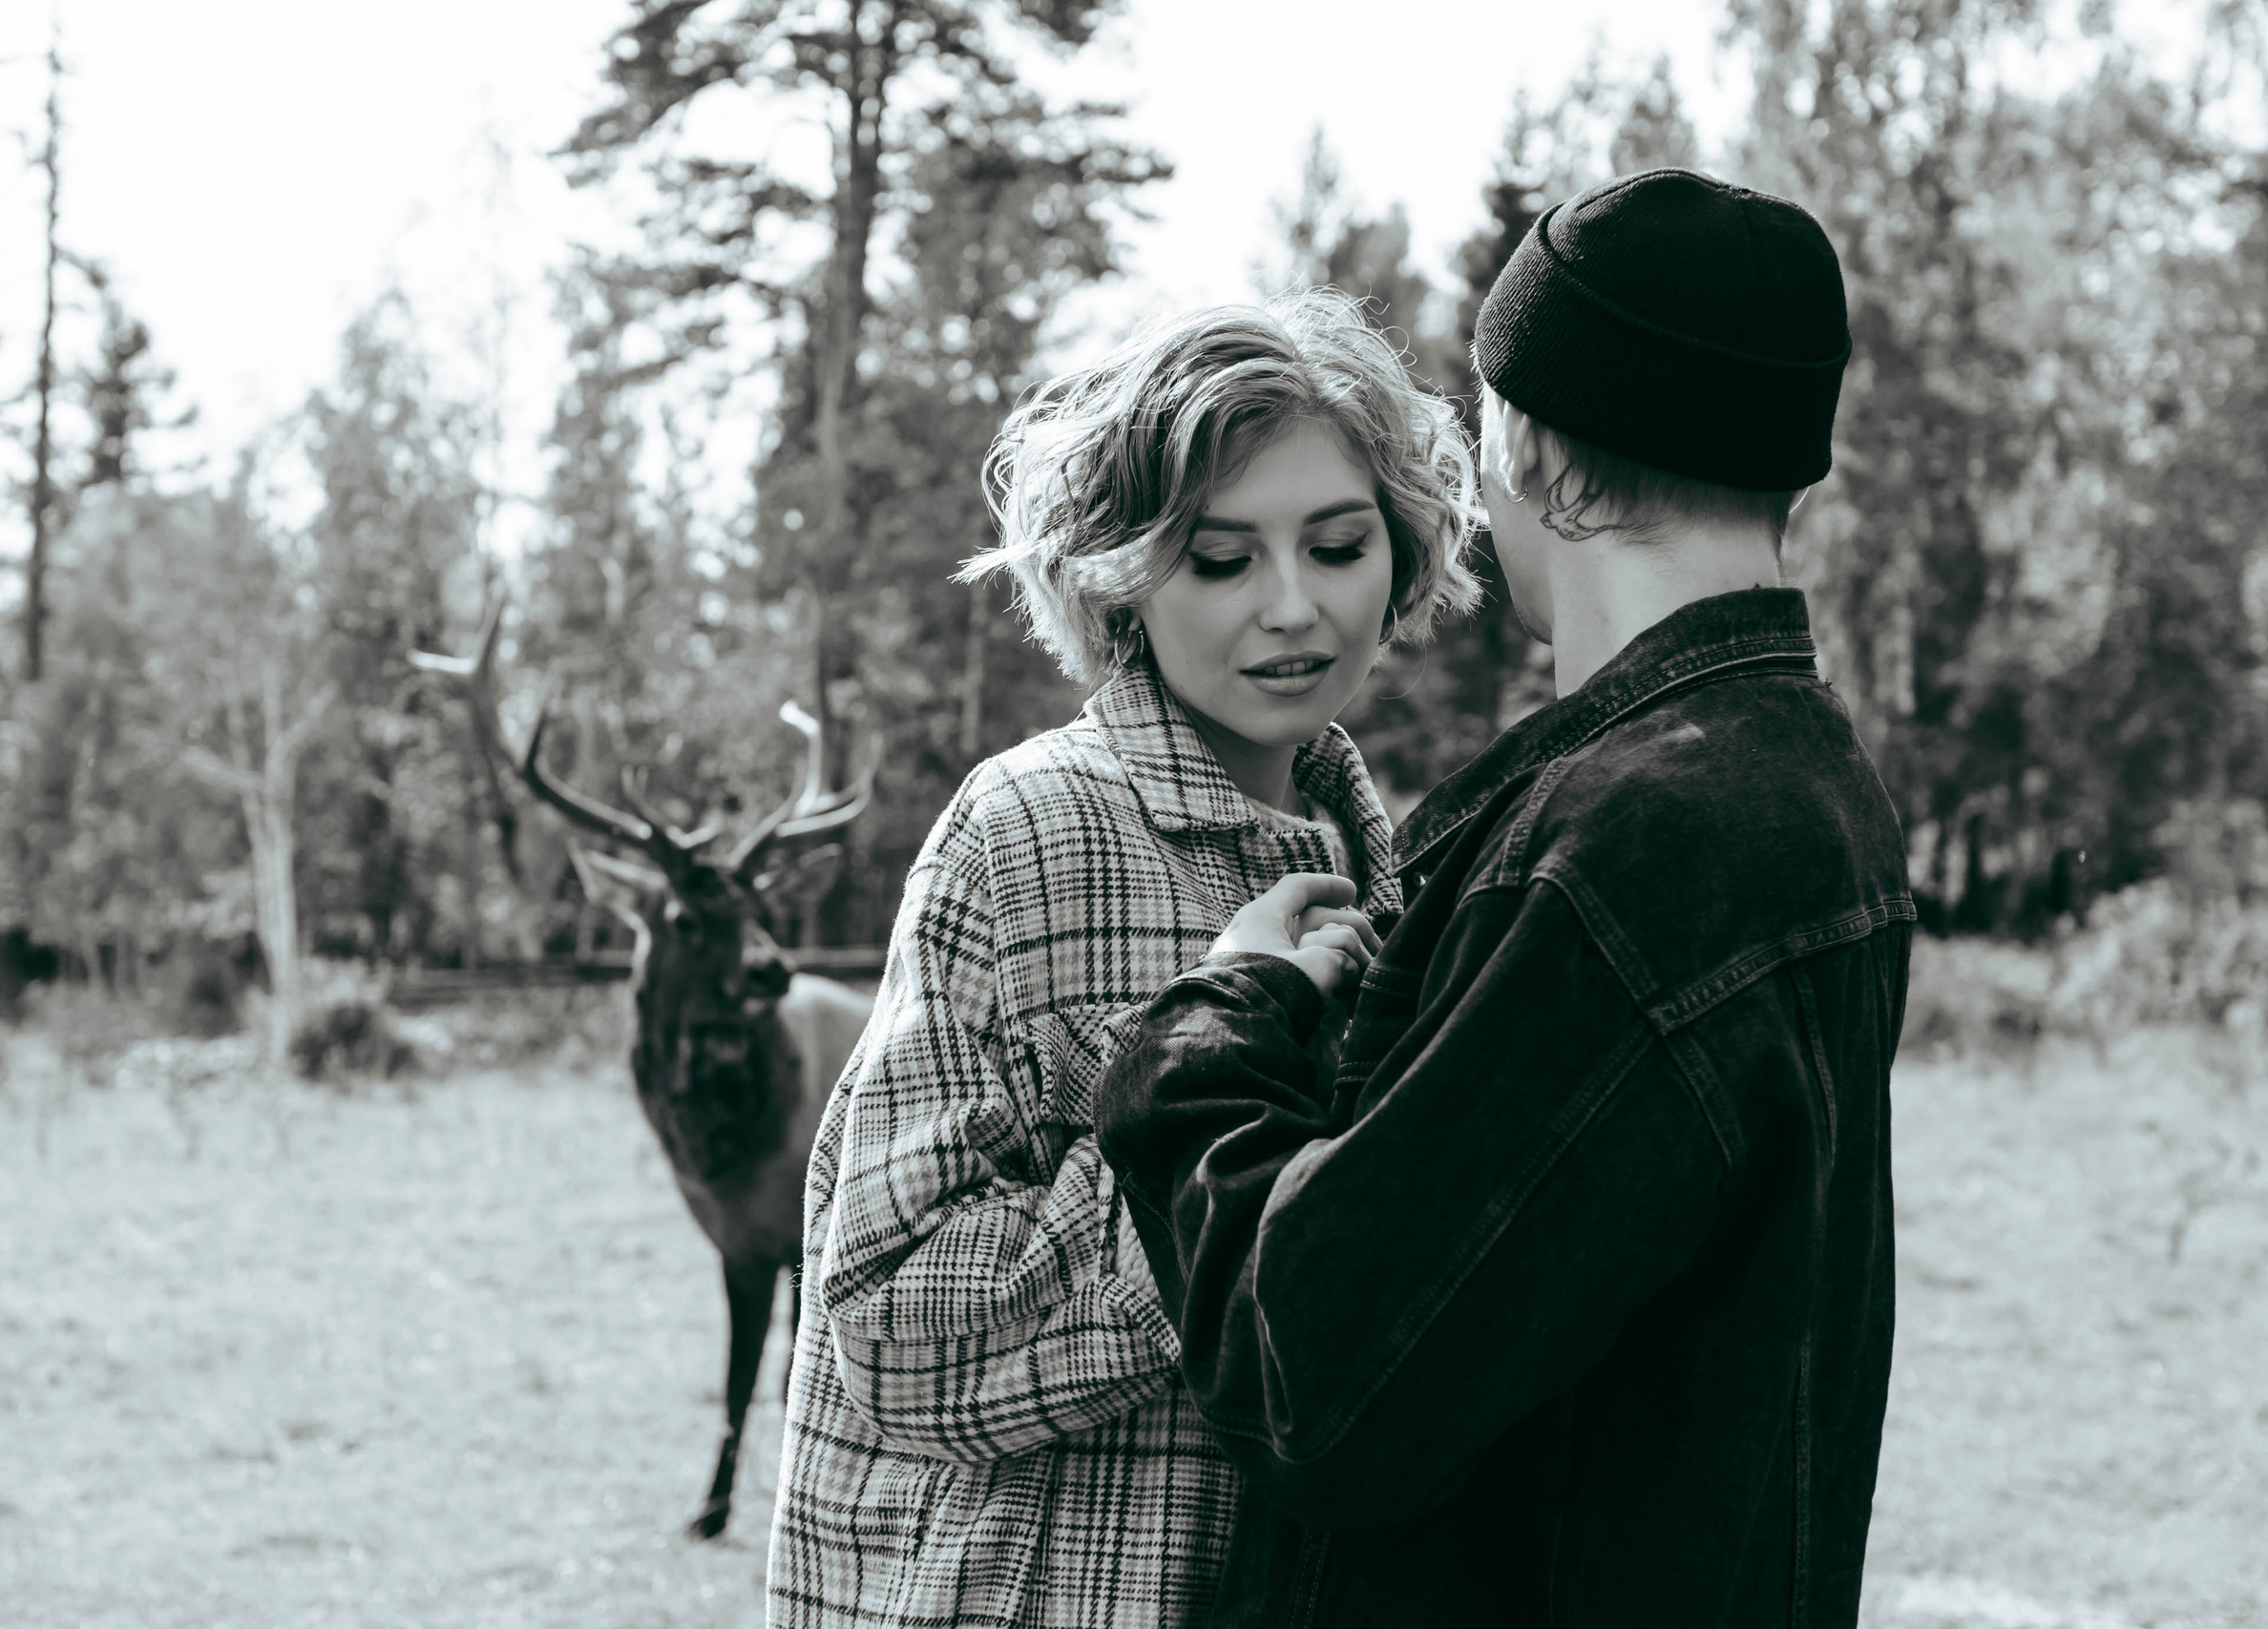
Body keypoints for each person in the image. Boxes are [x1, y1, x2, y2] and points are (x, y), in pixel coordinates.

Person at [1095, 168, 1915, 1626]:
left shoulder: (1635, 848)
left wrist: (1218, 1029)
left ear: (1526, 442)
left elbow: (1317, 1376)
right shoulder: (1811, 786)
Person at [766, 289, 1477, 1628]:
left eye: (1337, 545)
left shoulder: (1400, 878)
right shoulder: (1027, 835)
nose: (1294, 608)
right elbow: (887, 1329)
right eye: (1221, 560)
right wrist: (1211, 1092)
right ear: (1121, 573)